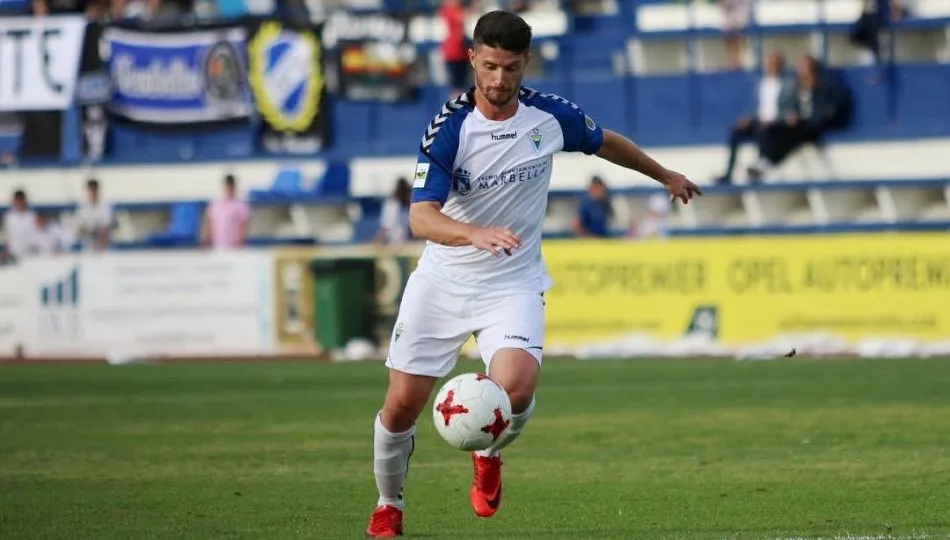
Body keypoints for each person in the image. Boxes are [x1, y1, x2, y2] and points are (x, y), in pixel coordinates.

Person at [364, 10, 702, 538]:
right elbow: (421, 216)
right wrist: (472, 233)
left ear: (526, 64)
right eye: (491, 66)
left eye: (512, 68)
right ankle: (389, 505)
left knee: (516, 391)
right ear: (473, 58)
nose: (499, 80)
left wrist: (664, 174)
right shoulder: (450, 128)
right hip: (444, 282)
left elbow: (605, 140)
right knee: (401, 405)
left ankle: (489, 453)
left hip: (512, 282)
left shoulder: (549, 117)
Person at [715, 52, 794, 184]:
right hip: (759, 120)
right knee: (736, 132)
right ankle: (729, 172)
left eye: (776, 64)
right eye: (770, 64)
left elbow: (790, 109)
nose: (772, 67)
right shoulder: (761, 83)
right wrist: (746, 118)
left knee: (764, 132)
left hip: (775, 122)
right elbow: (756, 106)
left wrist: (777, 119)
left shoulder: (788, 85)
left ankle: (757, 170)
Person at [201, 174, 250, 250]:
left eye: (231, 186)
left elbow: (242, 228)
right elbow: (208, 224)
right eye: (227, 185)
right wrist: (205, 242)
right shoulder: (215, 205)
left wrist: (239, 245)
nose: (229, 188)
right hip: (217, 247)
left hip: (234, 248)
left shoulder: (240, 206)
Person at [74, 178, 114, 252]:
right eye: (90, 190)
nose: (92, 193)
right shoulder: (82, 208)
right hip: (87, 248)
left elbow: (106, 229)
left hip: (104, 249)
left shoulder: (105, 206)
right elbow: (78, 230)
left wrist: (102, 248)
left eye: (94, 190)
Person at [374, 177, 412, 245]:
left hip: (410, 242)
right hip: (394, 242)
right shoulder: (391, 204)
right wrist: (377, 241)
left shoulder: (412, 204)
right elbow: (386, 228)